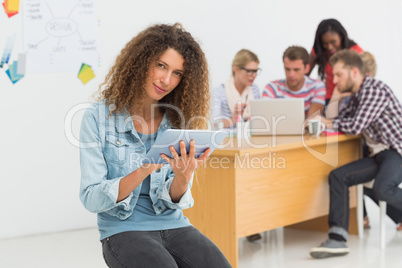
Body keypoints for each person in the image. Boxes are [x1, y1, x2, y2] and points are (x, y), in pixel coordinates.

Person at [79, 23, 231, 268]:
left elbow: (174, 197)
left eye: (177, 73)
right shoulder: (98, 117)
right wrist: (144, 169)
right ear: (141, 61)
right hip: (122, 230)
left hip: (174, 224)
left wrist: (184, 176)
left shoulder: (177, 120)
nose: (167, 80)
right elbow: (91, 197)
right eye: (161, 65)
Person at [309, 50, 402, 259]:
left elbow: (355, 125)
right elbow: (336, 120)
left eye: (339, 75)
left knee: (382, 188)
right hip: (379, 155)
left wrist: (328, 121)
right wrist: (335, 96)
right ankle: (337, 239)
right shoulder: (356, 95)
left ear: (354, 72)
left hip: (397, 151)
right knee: (338, 176)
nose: (335, 80)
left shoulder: (374, 89)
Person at [308, 18, 363, 104]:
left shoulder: (355, 52)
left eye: (333, 42)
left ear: (341, 37)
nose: (329, 47)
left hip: (349, 97)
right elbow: (304, 73)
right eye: (325, 43)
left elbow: (365, 79)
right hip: (330, 98)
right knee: (323, 116)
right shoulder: (320, 50)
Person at [262, 46, 326, 118]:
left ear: (307, 68)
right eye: (287, 69)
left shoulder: (317, 86)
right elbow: (265, 117)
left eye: (296, 70)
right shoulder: (272, 88)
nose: (291, 75)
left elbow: (312, 120)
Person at [211, 49, 261, 128]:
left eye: (255, 71)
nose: (254, 75)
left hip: (248, 137)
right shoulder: (219, 91)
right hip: (227, 138)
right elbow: (214, 125)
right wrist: (234, 118)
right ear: (236, 69)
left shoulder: (255, 90)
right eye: (249, 71)